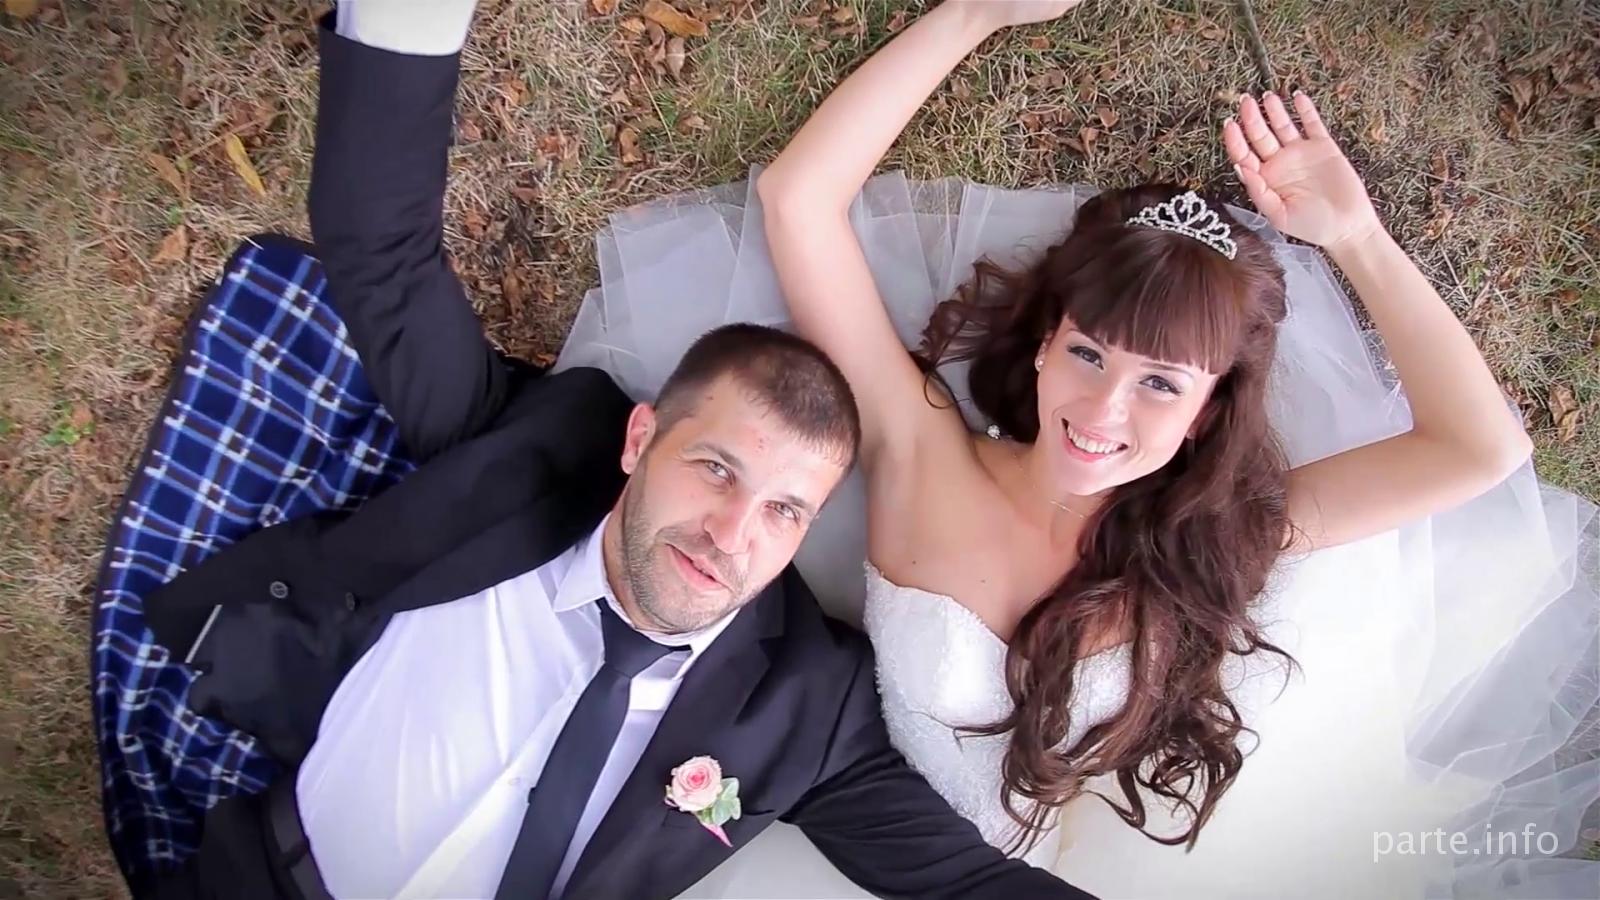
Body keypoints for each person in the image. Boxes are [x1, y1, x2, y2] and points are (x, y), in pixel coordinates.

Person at [556, 1, 1600, 897]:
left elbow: (1478, 448)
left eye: (1161, 384)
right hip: (859, 860)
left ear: (1206, 411)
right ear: (1045, 343)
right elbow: (798, 200)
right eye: (1090, 354)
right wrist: (974, 12)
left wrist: (1356, 235)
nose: (1104, 410)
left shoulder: (1220, 537)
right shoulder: (922, 448)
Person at [131, 4, 1100, 899]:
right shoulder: (516, 454)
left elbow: (968, 887)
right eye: (717, 470)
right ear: (642, 439)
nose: (731, 534)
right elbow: (378, 249)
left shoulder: (805, 704)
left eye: (783, 510)